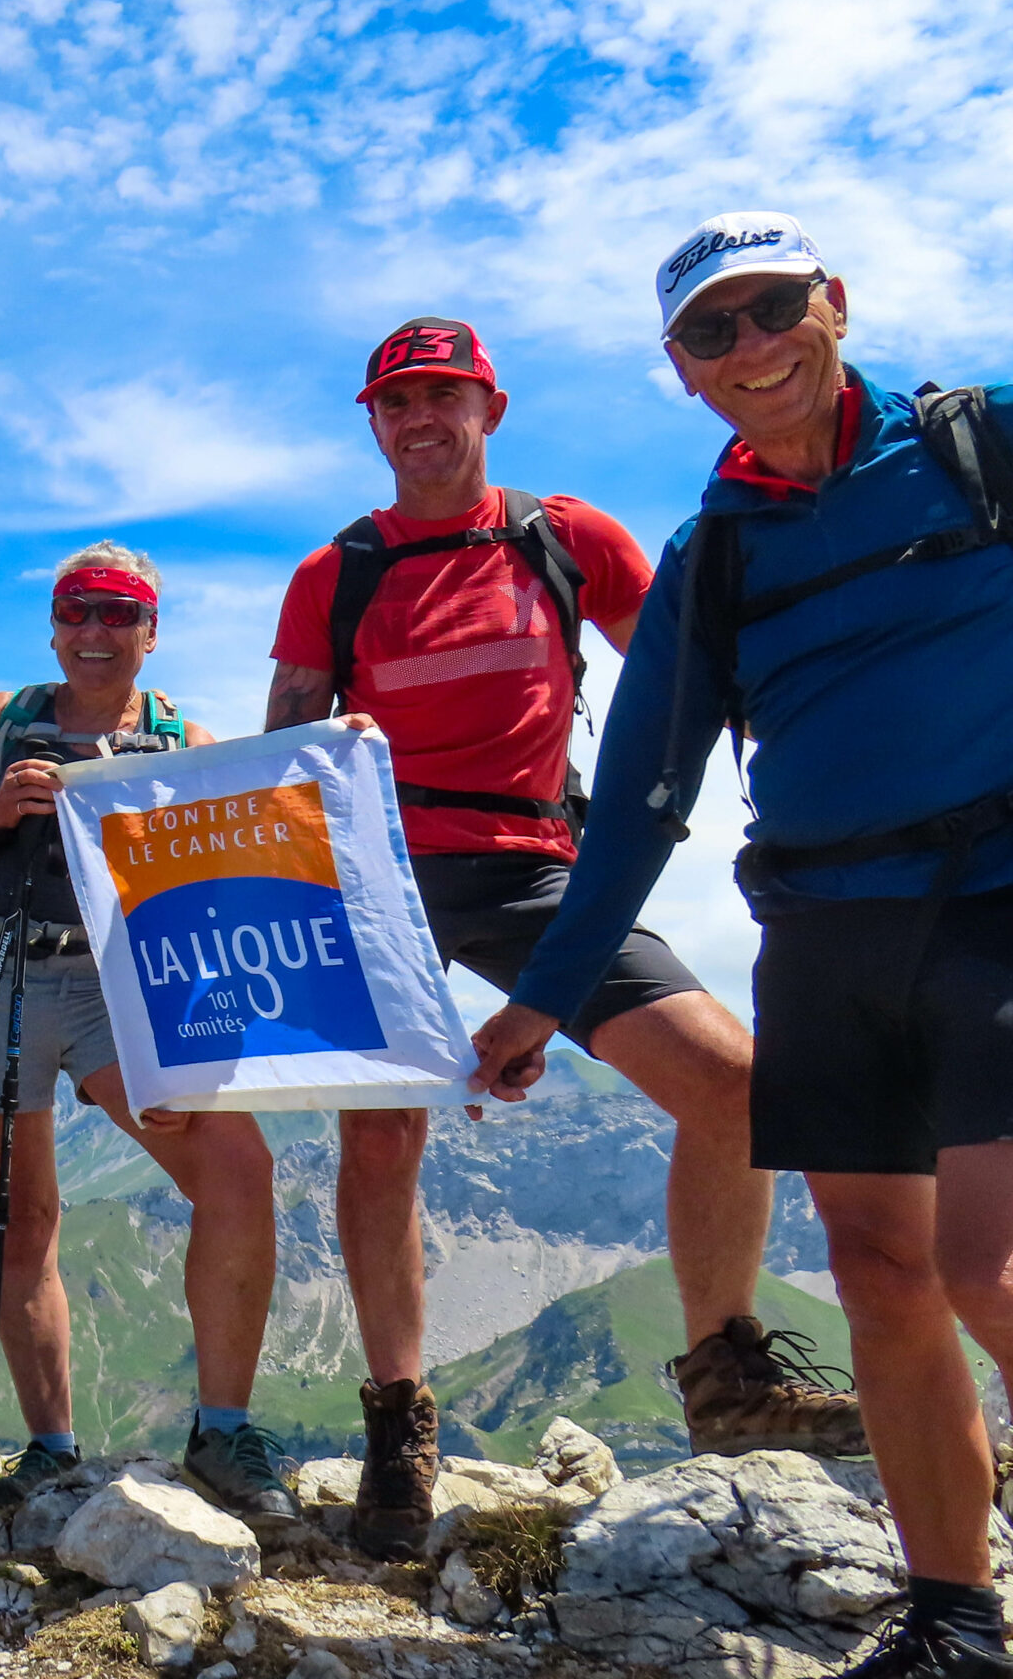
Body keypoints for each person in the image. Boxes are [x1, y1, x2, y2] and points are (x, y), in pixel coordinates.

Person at [470, 214, 1013, 1679]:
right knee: (883, 1275)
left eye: (772, 307)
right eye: (712, 332)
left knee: (987, 1266)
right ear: (683, 373)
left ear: (834, 303)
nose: (752, 346)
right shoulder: (715, 556)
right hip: (825, 934)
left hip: (995, 903)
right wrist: (543, 998)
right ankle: (958, 1648)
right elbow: (645, 797)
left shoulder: (979, 444)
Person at [264, 316, 864, 1560]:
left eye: (444, 397)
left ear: (489, 409)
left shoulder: (564, 538)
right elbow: (283, 757)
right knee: (380, 1140)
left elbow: (687, 680)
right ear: (372, 425)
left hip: (536, 867)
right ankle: (396, 1425)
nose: (420, 421)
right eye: (395, 404)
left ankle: (726, 1376)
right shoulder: (335, 573)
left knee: (737, 1088)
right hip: (376, 878)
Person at [0, 543, 296, 1525]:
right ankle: (52, 1448)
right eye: (76, 610)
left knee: (236, 1171)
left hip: (120, 985)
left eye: (118, 612)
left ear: (150, 632)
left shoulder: (184, 742)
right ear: (52, 627)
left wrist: (201, 1038)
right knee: (20, 1216)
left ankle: (221, 1430)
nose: (94, 630)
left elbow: (216, 904)